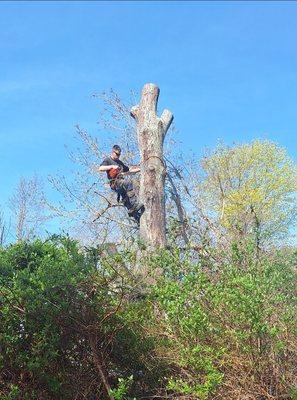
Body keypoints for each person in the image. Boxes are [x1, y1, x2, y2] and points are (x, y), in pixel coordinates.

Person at [98, 145, 144, 222]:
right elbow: (100, 168)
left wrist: (139, 169)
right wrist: (112, 166)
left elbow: (128, 170)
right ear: (112, 152)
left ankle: (137, 217)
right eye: (117, 154)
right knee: (128, 182)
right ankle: (135, 203)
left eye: (119, 154)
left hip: (121, 184)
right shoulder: (108, 160)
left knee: (126, 199)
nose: (118, 156)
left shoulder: (119, 163)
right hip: (115, 183)